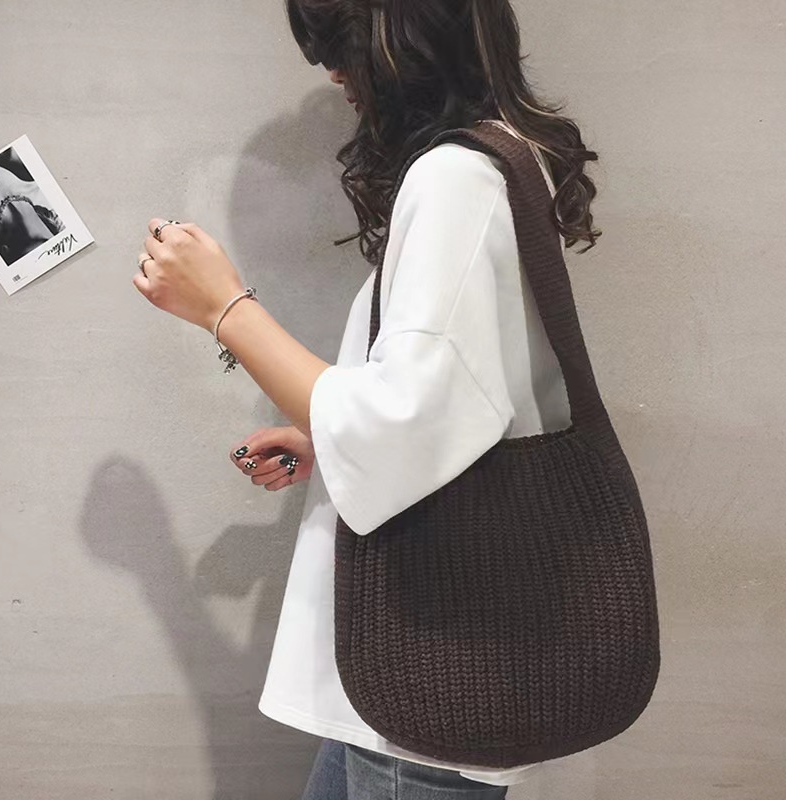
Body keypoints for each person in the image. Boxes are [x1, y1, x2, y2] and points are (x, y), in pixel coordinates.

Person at [133, 0, 602, 796]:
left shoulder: (455, 179)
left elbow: (401, 426)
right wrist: (327, 436)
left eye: (337, 43)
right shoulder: (502, 158)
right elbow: (455, 397)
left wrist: (224, 308)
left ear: (400, 32)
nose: (331, 72)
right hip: (413, 666)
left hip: (425, 660)